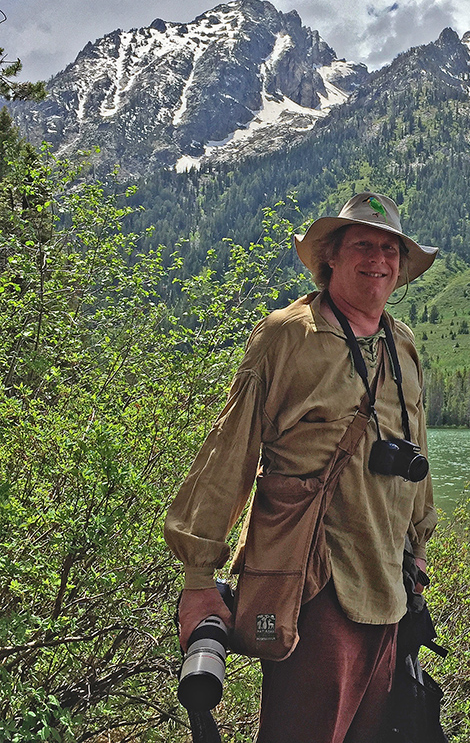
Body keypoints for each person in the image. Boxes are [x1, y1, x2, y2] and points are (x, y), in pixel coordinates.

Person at [164, 191, 439, 742]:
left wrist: (418, 556)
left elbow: (418, 458)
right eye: (364, 244)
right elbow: (229, 451)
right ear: (331, 256)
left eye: (391, 249)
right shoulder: (288, 334)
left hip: (387, 584)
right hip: (314, 581)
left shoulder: (401, 343)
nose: (379, 260)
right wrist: (198, 577)